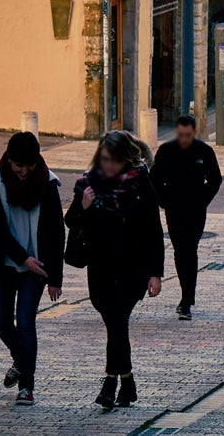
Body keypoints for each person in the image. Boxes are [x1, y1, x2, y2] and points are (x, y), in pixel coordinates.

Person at [66, 131, 164, 411]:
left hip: (132, 266)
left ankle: (110, 383)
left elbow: (153, 229)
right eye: (105, 159)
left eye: (114, 161)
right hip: (100, 265)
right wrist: (84, 206)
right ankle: (128, 381)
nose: (108, 166)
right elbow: (71, 220)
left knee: (117, 320)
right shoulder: (89, 183)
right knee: (114, 323)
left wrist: (155, 272)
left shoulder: (141, 182)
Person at [0, 131, 64, 406]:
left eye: (29, 165)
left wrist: (55, 276)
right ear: (9, 160)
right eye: (19, 166)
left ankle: (26, 386)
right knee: (1, 322)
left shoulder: (48, 182)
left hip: (36, 266)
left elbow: (55, 232)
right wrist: (21, 258)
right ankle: (21, 359)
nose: (24, 171)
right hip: (4, 261)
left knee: (26, 323)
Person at [152, 115, 223, 320]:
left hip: (196, 210)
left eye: (188, 135)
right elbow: (154, 179)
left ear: (194, 132)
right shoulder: (166, 151)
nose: (184, 139)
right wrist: (163, 201)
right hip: (174, 209)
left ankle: (187, 299)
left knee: (189, 251)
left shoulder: (204, 151)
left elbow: (215, 179)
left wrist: (203, 199)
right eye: (181, 135)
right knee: (179, 251)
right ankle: (186, 297)